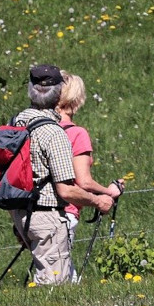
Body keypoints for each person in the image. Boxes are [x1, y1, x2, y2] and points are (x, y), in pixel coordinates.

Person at [10, 65, 114, 285]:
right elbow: (72, 186)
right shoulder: (58, 132)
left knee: (66, 280)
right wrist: (102, 198)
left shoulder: (17, 122)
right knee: (54, 287)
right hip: (51, 214)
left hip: (21, 211)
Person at [56, 71, 125, 280]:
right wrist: (110, 192)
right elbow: (83, 181)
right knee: (61, 280)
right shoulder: (76, 133)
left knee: (55, 273)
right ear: (76, 100)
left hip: (34, 215)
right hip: (64, 213)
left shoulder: (41, 129)